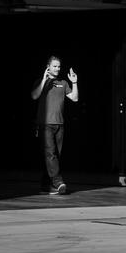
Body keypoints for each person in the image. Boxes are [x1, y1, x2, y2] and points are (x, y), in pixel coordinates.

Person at [32, 55, 79, 195]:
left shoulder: (63, 83)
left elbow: (75, 99)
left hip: (59, 125)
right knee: (50, 154)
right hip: (45, 124)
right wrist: (44, 80)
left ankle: (46, 185)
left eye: (59, 66)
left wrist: (75, 82)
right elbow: (34, 96)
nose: (57, 69)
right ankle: (58, 182)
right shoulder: (41, 82)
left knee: (54, 156)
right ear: (48, 67)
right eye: (54, 66)